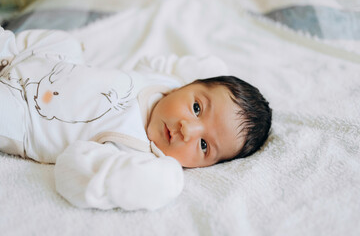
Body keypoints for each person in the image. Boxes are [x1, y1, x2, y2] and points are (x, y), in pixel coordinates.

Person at [0, 27, 271, 210]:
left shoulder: (137, 155)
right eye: (197, 108)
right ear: (185, 86)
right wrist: (200, 69)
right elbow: (155, 64)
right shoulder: (164, 84)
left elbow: (72, 172)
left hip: (25, 116)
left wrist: (158, 182)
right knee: (65, 41)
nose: (187, 129)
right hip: (45, 61)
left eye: (203, 146)